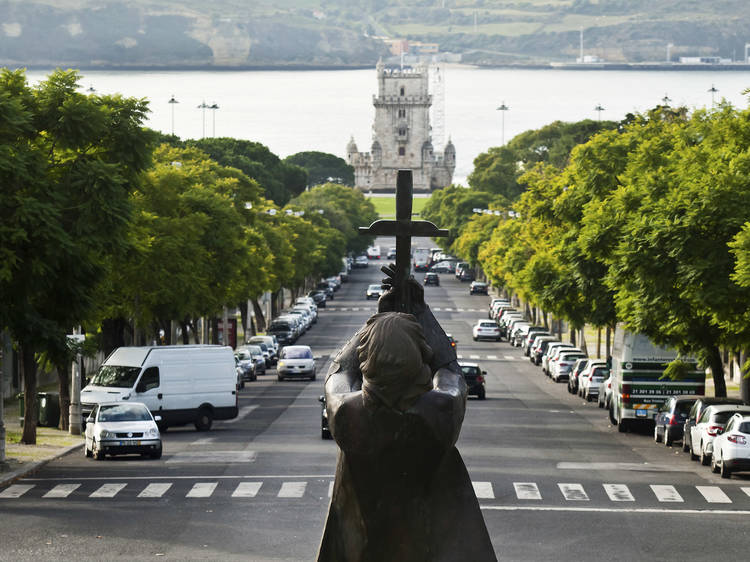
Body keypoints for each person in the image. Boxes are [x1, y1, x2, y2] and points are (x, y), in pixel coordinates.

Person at [317, 272, 496, 562]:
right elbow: (449, 369)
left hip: (364, 548)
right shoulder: (439, 410)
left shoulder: (348, 413)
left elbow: (339, 372)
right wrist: (422, 312)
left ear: (368, 360)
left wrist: (376, 321)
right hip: (431, 548)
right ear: (417, 358)